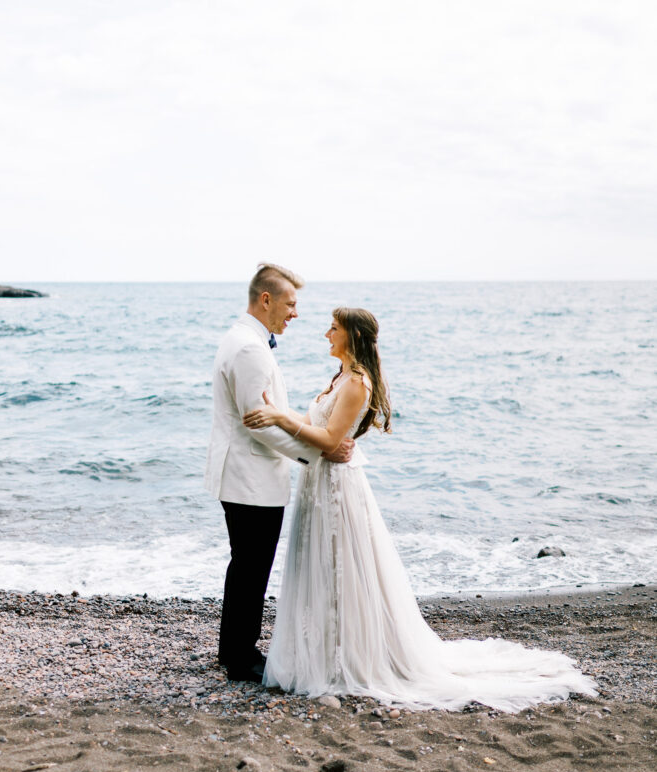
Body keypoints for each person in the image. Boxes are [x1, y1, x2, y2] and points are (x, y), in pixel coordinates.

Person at [242, 307, 597, 711]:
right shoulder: (340, 377)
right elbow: (312, 422)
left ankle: (347, 660)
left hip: (338, 490)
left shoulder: (357, 382)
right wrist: (280, 414)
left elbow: (327, 440)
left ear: (352, 337)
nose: (326, 333)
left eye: (334, 328)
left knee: (340, 571)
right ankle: (322, 653)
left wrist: (277, 418)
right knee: (320, 569)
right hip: (319, 485)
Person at [204, 264, 353, 684]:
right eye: (291, 304)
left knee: (246, 566)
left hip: (242, 474)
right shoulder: (250, 348)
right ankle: (240, 656)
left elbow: (270, 416)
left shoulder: (243, 339)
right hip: (251, 477)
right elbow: (261, 424)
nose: (295, 314)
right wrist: (319, 452)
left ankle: (230, 647)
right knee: (252, 568)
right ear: (265, 299)